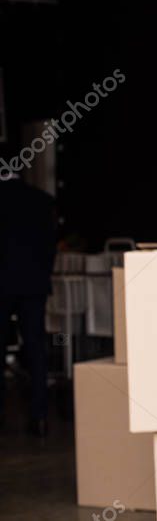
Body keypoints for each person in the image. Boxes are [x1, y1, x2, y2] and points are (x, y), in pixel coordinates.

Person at [0, 174, 58, 437]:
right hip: (33, 284)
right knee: (36, 348)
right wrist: (42, 274)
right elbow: (50, 247)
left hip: (2, 284)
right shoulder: (43, 201)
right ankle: (40, 416)